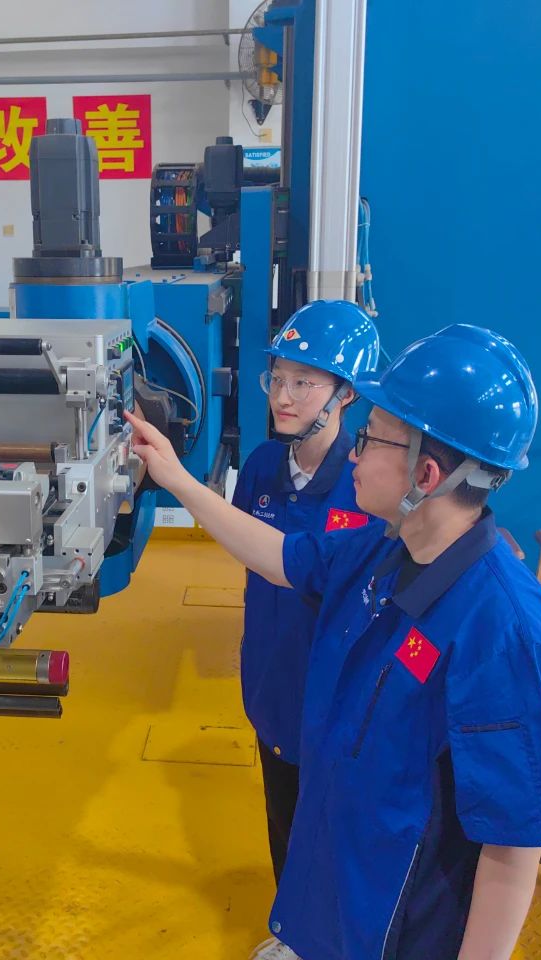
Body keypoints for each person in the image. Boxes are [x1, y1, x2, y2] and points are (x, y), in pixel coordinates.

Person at [126, 323, 541, 960]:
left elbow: (513, 844)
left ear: (427, 473)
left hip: (400, 933)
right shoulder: (382, 552)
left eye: (371, 439)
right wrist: (174, 477)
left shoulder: (503, 628)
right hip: (338, 900)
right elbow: (281, 556)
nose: (355, 456)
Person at [231, 300, 382, 884]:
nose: (283, 397)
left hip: (337, 703)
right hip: (272, 686)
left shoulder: (365, 484)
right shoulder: (262, 466)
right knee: (284, 825)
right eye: (277, 379)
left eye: (303, 383)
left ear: (346, 393)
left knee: (335, 842)